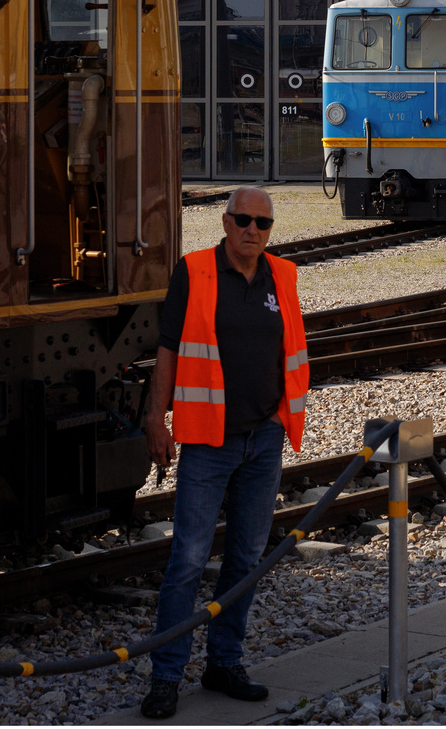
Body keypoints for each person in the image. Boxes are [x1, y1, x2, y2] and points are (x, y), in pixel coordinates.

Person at [139, 186, 309, 720]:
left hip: (264, 439)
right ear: (224, 220)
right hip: (208, 442)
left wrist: (283, 419)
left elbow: (291, 346)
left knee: (244, 561)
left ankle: (224, 663)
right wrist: (155, 415)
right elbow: (169, 347)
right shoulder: (194, 271)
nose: (252, 231)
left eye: (263, 223)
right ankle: (166, 677)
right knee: (187, 561)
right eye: (242, 220)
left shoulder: (282, 275)